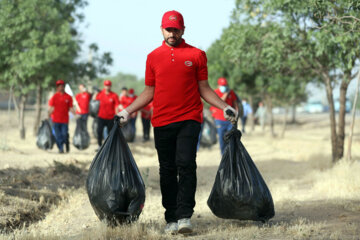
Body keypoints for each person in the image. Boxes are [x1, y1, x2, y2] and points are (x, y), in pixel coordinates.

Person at [117, 10, 238, 234]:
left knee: (186, 164)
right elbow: (149, 91)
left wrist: (225, 106)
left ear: (183, 29)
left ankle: (184, 217)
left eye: (176, 29)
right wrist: (127, 111)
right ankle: (170, 218)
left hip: (189, 119)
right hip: (162, 121)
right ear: (162, 30)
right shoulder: (153, 57)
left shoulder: (197, 55)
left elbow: (204, 88)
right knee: (167, 169)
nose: (172, 33)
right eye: (168, 29)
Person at [210, 77, 239, 155]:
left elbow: (235, 103)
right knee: (222, 139)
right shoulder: (215, 92)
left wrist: (237, 113)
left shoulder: (231, 92)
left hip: (230, 120)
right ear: (218, 85)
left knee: (231, 138)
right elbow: (220, 101)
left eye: (225, 85)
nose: (224, 87)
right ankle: (223, 155)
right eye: (222, 85)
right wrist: (226, 94)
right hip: (219, 120)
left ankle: (231, 154)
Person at [48, 80, 76, 153]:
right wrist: (48, 115)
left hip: (64, 120)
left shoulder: (68, 97)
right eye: (59, 86)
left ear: (64, 87)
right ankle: (60, 149)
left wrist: (76, 114)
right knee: (58, 136)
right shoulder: (54, 97)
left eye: (62, 86)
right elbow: (51, 108)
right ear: (57, 87)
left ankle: (66, 144)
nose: (61, 87)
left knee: (64, 134)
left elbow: (70, 108)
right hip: (56, 120)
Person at [94, 80, 119, 150]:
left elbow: (116, 105)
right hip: (101, 116)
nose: (107, 87)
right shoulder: (100, 94)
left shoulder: (114, 95)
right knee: (99, 131)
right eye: (106, 85)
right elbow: (94, 101)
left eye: (108, 85)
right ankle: (99, 145)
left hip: (110, 117)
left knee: (110, 133)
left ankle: (109, 147)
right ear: (104, 86)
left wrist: (117, 115)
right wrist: (95, 93)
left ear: (110, 86)